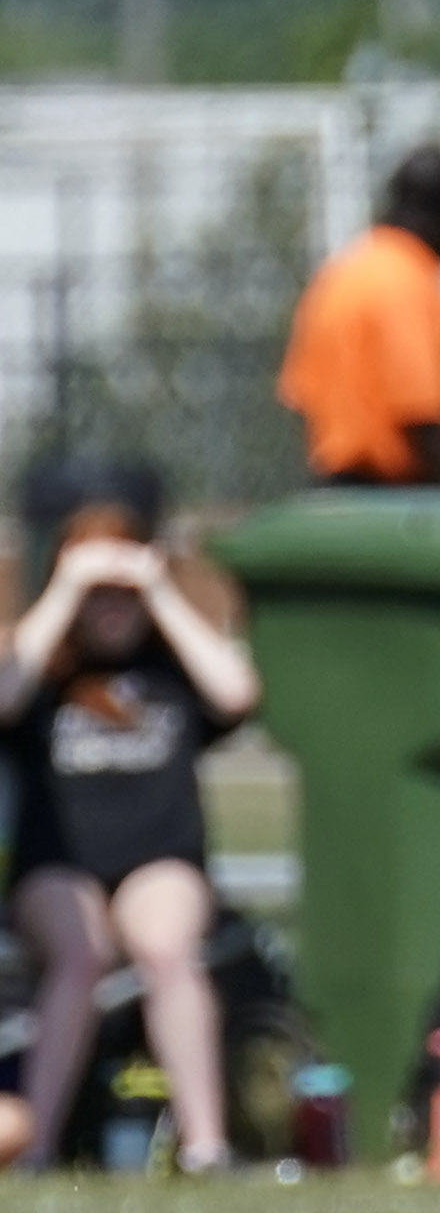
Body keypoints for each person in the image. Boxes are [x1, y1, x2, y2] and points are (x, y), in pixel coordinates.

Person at [0, 502, 263, 1174]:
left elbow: (237, 694)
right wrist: (66, 587)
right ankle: (37, 1146)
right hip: (60, 870)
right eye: (100, 597)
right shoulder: (44, 678)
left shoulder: (169, 673)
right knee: (79, 954)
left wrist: (157, 588)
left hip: (158, 861)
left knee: (167, 948)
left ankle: (207, 1147)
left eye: (124, 597)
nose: (112, 609)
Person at [276, 144, 440, 486]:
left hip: (332, 494)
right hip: (392, 500)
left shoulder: (341, 273)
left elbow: (302, 397)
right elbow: (421, 409)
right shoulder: (409, 279)